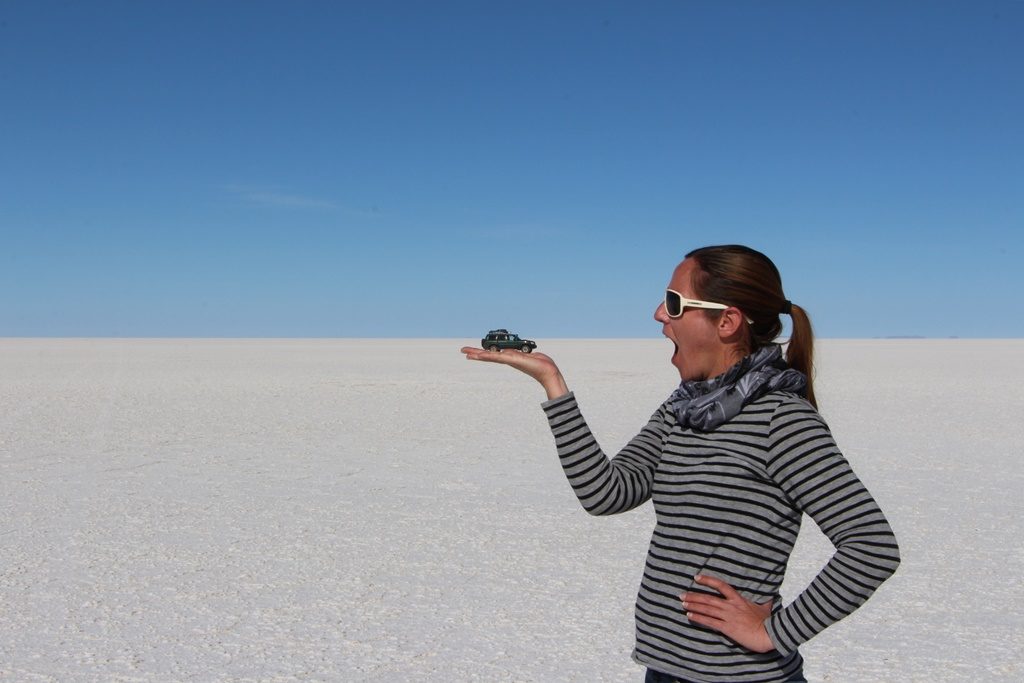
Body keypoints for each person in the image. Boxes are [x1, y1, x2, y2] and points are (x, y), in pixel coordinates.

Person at [460, 245, 900, 683]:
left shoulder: (781, 420)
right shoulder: (683, 410)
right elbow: (605, 494)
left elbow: (871, 547)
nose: (657, 314)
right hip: (665, 669)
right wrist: (553, 384)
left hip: (738, 676)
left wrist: (775, 633)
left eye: (673, 302)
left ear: (726, 321)